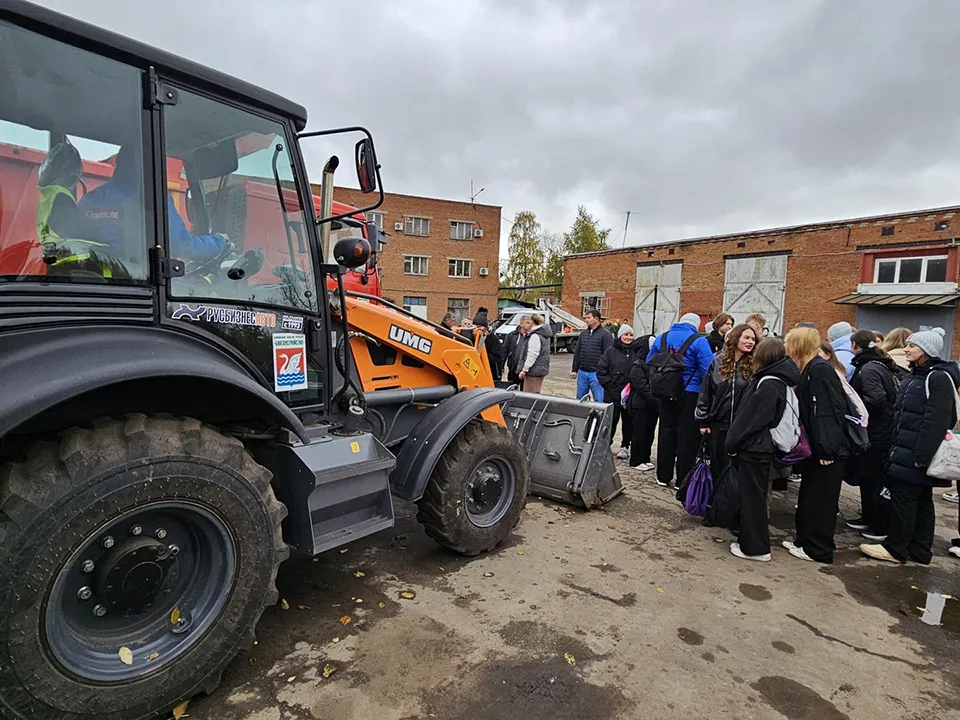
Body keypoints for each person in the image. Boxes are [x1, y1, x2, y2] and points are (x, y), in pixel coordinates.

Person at [861, 328, 960, 564]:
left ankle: (896, 548)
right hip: (905, 449)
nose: (906, 349)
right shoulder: (918, 375)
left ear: (926, 350)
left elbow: (938, 420)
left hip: (914, 454)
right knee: (921, 500)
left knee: (904, 501)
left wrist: (922, 456)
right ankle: (919, 549)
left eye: (912, 346)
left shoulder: (936, 378)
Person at [79, 144, 226, 263]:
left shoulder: (91, 198)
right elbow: (181, 246)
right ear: (151, 163)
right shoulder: (152, 196)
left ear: (119, 162)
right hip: (138, 281)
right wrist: (220, 243)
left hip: (100, 279)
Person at [725, 338, 800, 562]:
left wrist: (732, 442)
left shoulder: (768, 384)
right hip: (762, 447)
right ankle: (754, 544)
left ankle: (755, 548)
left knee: (753, 500)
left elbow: (751, 419)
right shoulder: (779, 381)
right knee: (756, 497)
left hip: (756, 448)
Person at [784, 327, 850, 563]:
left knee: (821, 500)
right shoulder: (812, 369)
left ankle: (818, 548)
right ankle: (804, 540)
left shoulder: (819, 371)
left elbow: (826, 412)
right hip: (819, 446)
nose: (785, 347)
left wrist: (826, 447)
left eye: (788, 343)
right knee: (810, 495)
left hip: (828, 449)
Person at [646, 312, 714, 488]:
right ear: (695, 325)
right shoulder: (699, 341)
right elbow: (708, 370)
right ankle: (682, 479)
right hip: (689, 393)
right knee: (687, 437)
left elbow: (649, 361)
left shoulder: (661, 337)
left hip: (664, 392)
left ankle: (663, 475)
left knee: (666, 432)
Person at [847, 329, 899, 542]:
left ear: (854, 345)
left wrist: (855, 408)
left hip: (876, 433)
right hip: (881, 430)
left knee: (873, 479)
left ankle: (878, 524)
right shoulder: (881, 364)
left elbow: (876, 399)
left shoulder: (868, 368)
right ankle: (869, 517)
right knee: (869, 478)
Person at [696, 323, 757, 480]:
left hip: (742, 427)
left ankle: (733, 502)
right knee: (718, 466)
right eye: (747, 337)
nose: (751, 341)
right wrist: (703, 420)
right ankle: (717, 501)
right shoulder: (717, 362)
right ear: (736, 338)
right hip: (719, 424)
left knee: (737, 470)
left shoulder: (755, 365)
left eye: (753, 339)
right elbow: (706, 392)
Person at [599, 325, 639, 459]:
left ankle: (625, 446)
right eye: (625, 335)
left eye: (630, 335)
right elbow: (601, 371)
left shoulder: (636, 352)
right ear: (620, 336)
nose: (628, 338)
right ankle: (606, 445)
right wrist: (609, 385)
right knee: (611, 421)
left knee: (628, 422)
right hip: (613, 393)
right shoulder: (610, 352)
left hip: (630, 395)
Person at [628, 341, 658, 471]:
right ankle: (636, 460)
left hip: (652, 406)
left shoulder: (653, 363)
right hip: (640, 404)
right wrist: (653, 398)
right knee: (639, 433)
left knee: (649, 433)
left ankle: (646, 457)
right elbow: (641, 386)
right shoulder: (637, 365)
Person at [571, 309, 614, 401]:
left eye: (588, 318)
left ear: (596, 319)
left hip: (597, 374)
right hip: (582, 373)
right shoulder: (583, 334)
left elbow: (609, 355)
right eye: (585, 318)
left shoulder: (605, 335)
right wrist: (574, 370)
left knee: (599, 399)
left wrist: (605, 373)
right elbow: (578, 352)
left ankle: (599, 415)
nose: (586, 320)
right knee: (580, 399)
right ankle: (582, 415)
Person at [518, 313, 552, 394]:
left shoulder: (535, 336)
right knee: (536, 393)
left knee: (529, 396)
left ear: (533, 322)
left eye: (530, 322)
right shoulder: (544, 335)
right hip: (541, 369)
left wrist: (524, 369)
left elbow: (532, 354)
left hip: (533, 371)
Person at [473, 312, 505, 380]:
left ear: (485, 327)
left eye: (480, 326)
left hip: (491, 372)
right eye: (476, 326)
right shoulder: (474, 338)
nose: (478, 329)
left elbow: (498, 358)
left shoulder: (493, 339)